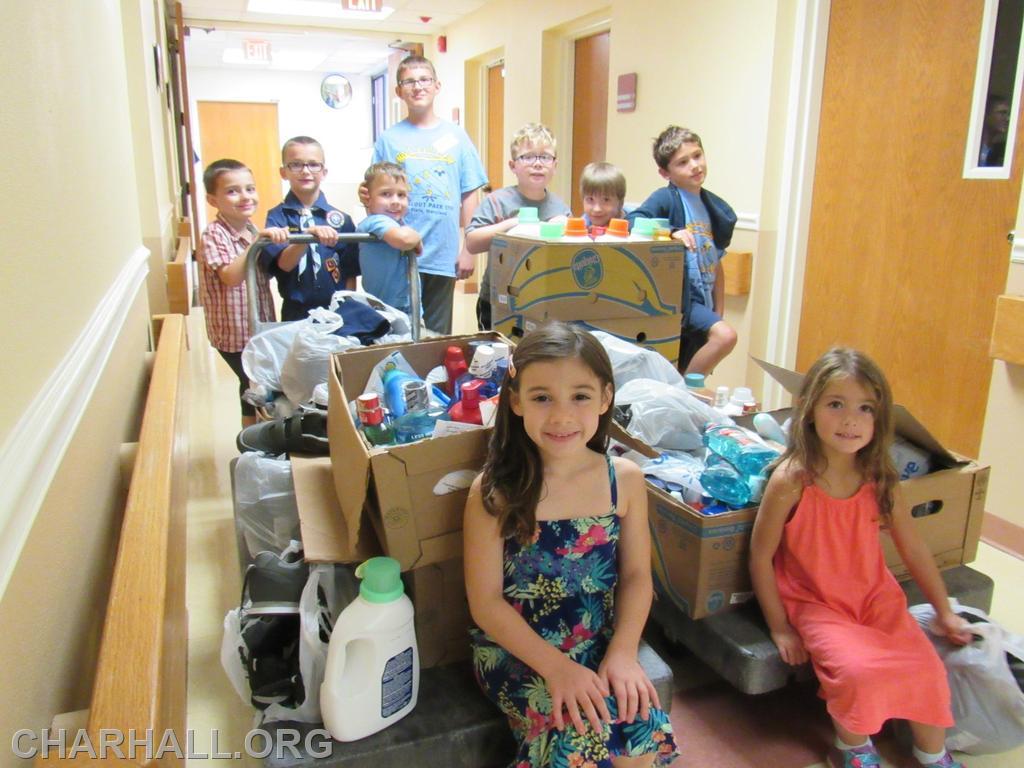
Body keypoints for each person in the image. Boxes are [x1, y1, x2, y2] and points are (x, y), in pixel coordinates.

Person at [463, 322, 678, 768]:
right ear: (516, 401)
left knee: (639, 727)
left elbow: (638, 577)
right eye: (542, 398)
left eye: (580, 396)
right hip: (517, 650)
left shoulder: (625, 480)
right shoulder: (495, 491)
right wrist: (558, 669)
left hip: (597, 639)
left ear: (605, 397)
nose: (562, 417)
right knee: (576, 736)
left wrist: (623, 653)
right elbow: (485, 604)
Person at [748, 347, 973, 768]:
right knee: (856, 672)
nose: (850, 420)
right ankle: (852, 748)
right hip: (816, 604)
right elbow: (760, 557)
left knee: (927, 668)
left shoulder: (880, 476)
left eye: (865, 408)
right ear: (809, 408)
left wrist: (945, 612)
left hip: (875, 597)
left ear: (879, 417)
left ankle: (933, 755)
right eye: (836, 404)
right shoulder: (792, 479)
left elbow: (913, 547)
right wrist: (780, 628)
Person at [366, 55, 488, 334]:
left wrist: (468, 250)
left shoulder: (457, 137)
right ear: (398, 91)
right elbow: (373, 193)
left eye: (424, 79)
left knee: (435, 336)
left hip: (442, 254)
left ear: (437, 86)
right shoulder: (389, 139)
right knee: (396, 332)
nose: (418, 86)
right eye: (409, 81)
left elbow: (470, 194)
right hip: (398, 253)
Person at [628, 126, 737, 376]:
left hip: (705, 301)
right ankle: (686, 389)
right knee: (726, 337)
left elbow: (717, 263)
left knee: (686, 362)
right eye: (683, 162)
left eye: (697, 156)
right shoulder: (666, 198)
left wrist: (718, 311)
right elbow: (633, 220)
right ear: (665, 172)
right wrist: (670, 231)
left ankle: (685, 387)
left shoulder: (714, 207)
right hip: (683, 300)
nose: (694, 166)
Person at [197, 159, 288, 427]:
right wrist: (257, 244)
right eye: (232, 191)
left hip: (258, 325)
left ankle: (252, 434)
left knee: (251, 383)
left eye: (250, 189)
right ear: (212, 200)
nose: (245, 196)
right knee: (254, 382)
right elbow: (231, 276)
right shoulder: (214, 234)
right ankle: (255, 435)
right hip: (233, 333)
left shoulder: (251, 230)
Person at [465, 123, 571, 330]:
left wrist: (566, 231)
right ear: (512, 166)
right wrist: (511, 225)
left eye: (545, 157)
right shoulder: (497, 202)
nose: (537, 164)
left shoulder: (561, 208)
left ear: (555, 165)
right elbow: (472, 242)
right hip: (498, 299)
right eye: (528, 157)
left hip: (544, 300)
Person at [261, 136, 360, 321]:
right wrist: (306, 238)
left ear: (324, 172)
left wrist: (347, 308)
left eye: (314, 165)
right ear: (283, 172)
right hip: (295, 313)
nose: (305, 171)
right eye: (296, 164)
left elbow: (350, 272)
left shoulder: (341, 220)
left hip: (336, 311)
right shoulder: (277, 217)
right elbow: (284, 264)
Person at [355, 161, 422, 317]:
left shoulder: (398, 224)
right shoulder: (376, 221)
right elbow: (404, 240)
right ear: (367, 198)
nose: (395, 201)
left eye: (401, 195)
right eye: (386, 194)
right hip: (387, 311)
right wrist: (417, 238)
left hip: (408, 308)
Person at [580, 161, 627, 230]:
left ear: (620, 202)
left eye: (606, 200)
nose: (597, 209)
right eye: (590, 199)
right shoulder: (584, 224)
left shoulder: (632, 223)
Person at [979, 93, 1010, 167]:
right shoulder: (974, 151)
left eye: (1007, 114)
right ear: (986, 115)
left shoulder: (1002, 153)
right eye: (1002, 113)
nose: (1007, 119)